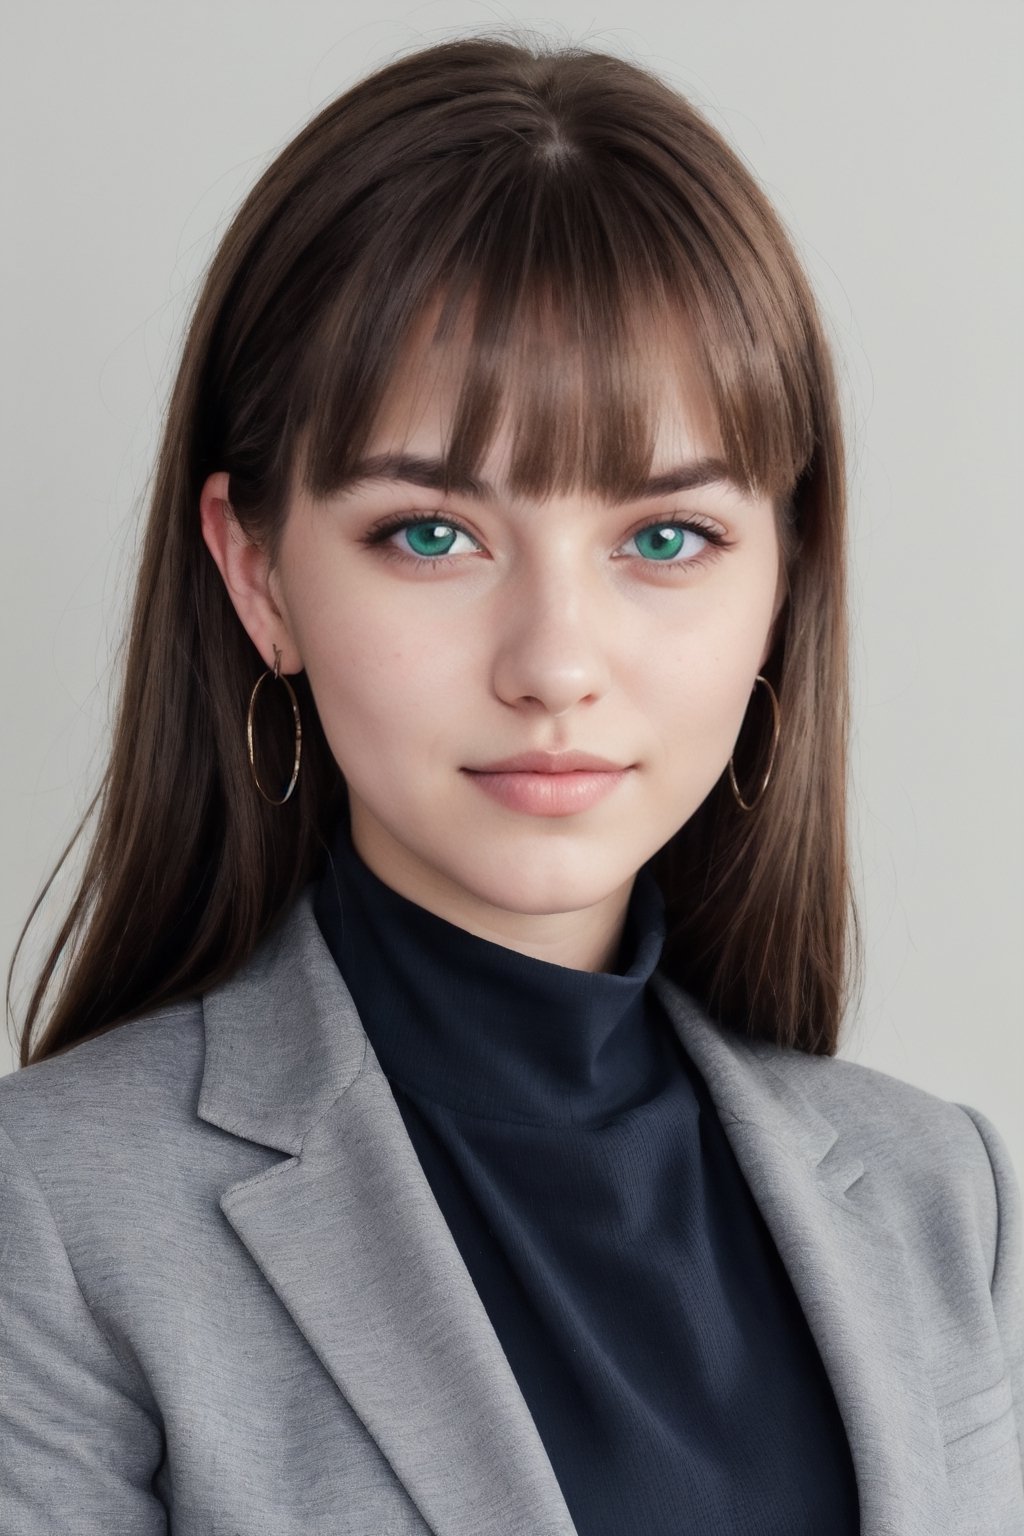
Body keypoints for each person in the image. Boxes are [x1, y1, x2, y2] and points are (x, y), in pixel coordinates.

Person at [2, 31, 1021, 1536]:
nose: (555, 662)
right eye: (432, 534)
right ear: (259, 574)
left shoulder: (945, 1197)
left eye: (664, 538)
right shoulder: (57, 1221)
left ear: (786, 579)